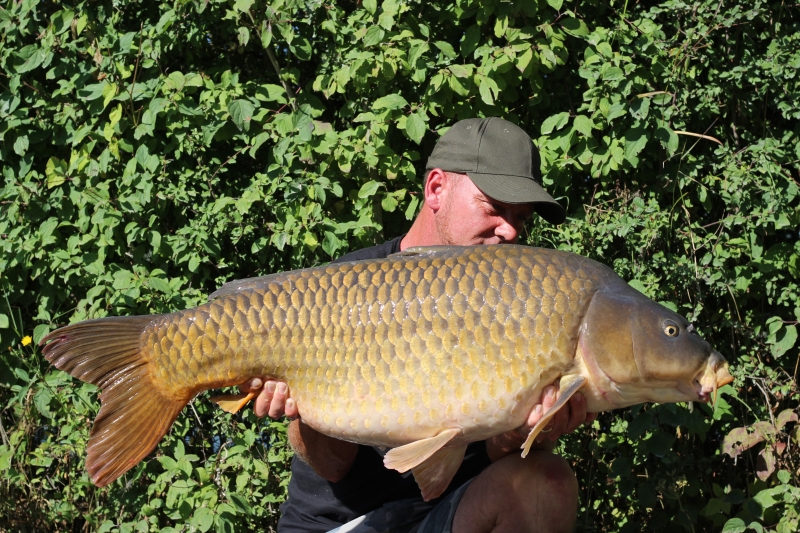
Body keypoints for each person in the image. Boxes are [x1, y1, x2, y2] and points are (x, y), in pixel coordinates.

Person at [241, 117, 597, 533]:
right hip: (339, 526)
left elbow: (496, 458)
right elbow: (332, 468)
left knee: (545, 481)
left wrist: (522, 433)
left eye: (522, 217)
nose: (510, 230)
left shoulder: (516, 302)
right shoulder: (342, 289)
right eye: (495, 207)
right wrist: (302, 410)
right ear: (436, 189)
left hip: (446, 515)